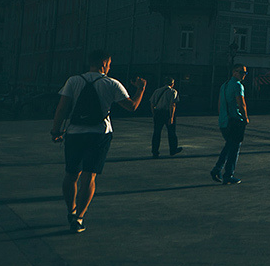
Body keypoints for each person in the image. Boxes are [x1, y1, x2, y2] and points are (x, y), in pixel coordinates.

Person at [49, 50, 146, 232]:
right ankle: (79, 219)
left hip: (74, 133)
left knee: (71, 175)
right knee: (89, 175)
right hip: (99, 134)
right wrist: (141, 88)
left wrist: (56, 130)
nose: (110, 66)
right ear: (104, 63)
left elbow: (62, 108)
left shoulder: (74, 80)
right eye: (109, 63)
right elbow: (132, 106)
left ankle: (71, 211)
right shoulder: (111, 83)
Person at [210, 64, 249, 185]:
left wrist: (221, 116)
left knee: (229, 146)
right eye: (241, 72)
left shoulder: (224, 85)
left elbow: (219, 103)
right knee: (234, 149)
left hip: (224, 121)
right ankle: (228, 175)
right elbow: (241, 103)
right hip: (235, 121)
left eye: (245, 73)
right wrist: (246, 118)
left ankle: (217, 169)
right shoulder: (238, 85)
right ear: (234, 72)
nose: (243, 75)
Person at [150, 76, 181, 158]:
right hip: (167, 113)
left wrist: (154, 114)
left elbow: (152, 104)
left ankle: (155, 151)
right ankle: (173, 149)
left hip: (158, 113)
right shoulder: (173, 92)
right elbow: (172, 105)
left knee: (157, 133)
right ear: (172, 84)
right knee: (171, 132)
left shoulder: (157, 91)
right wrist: (171, 117)